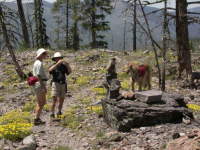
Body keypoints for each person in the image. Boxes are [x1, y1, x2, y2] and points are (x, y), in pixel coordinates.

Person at [49, 52, 72, 118]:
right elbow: (50, 70)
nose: (58, 59)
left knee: (61, 99)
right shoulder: (53, 65)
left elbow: (69, 72)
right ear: (55, 59)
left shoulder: (64, 66)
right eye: (57, 58)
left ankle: (59, 111)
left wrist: (67, 65)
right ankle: (52, 113)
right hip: (55, 83)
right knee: (54, 99)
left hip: (63, 83)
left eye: (59, 58)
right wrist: (57, 64)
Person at [32, 48, 48, 125]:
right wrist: (43, 86)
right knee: (42, 102)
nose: (45, 55)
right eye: (44, 54)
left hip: (37, 84)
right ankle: (36, 118)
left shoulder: (36, 62)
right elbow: (38, 75)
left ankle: (36, 117)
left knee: (40, 102)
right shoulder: (39, 63)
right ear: (41, 55)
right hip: (40, 84)